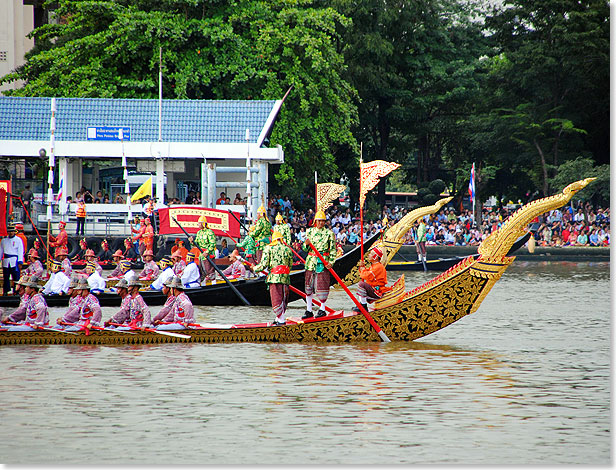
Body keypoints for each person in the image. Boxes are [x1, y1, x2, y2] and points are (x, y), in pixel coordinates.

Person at [250, 231, 294, 326]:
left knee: (276, 297)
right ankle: (278, 317)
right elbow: (290, 265)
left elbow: (263, 265)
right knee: (283, 297)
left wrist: (254, 268)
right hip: (285, 277)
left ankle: (281, 320)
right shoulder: (288, 249)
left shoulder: (269, 248)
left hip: (274, 277)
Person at [302, 210, 336, 319]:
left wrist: (331, 262)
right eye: (319, 221)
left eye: (323, 221)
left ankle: (322, 308)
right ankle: (309, 309)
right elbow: (305, 248)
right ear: (315, 221)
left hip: (323, 261)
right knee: (308, 286)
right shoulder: (310, 232)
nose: (321, 223)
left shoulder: (329, 233)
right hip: (311, 261)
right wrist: (306, 244)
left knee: (322, 285)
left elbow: (333, 250)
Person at [354, 246, 390, 313]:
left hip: (377, 290)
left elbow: (366, 275)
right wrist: (362, 267)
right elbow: (365, 272)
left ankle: (363, 306)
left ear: (375, 257)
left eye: (371, 254)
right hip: (374, 288)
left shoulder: (378, 267)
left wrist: (362, 269)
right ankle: (362, 304)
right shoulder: (374, 266)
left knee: (361, 284)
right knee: (362, 285)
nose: (369, 255)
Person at [190, 216, 217, 281]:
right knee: (201, 270)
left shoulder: (209, 232)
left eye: (199, 223)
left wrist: (207, 252)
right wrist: (192, 241)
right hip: (201, 255)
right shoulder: (199, 232)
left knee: (209, 271)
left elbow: (213, 244)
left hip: (208, 254)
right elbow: (196, 244)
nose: (198, 225)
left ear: (203, 224)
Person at [0, 224, 24, 295]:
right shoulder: (4, 241)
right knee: (6, 277)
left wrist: (20, 261)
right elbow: (1, 251)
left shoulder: (18, 240)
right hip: (6, 260)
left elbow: (20, 251)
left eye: (12, 231)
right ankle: (6, 291)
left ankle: (16, 291)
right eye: (9, 231)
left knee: (15, 277)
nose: (10, 233)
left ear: (14, 232)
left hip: (14, 260)